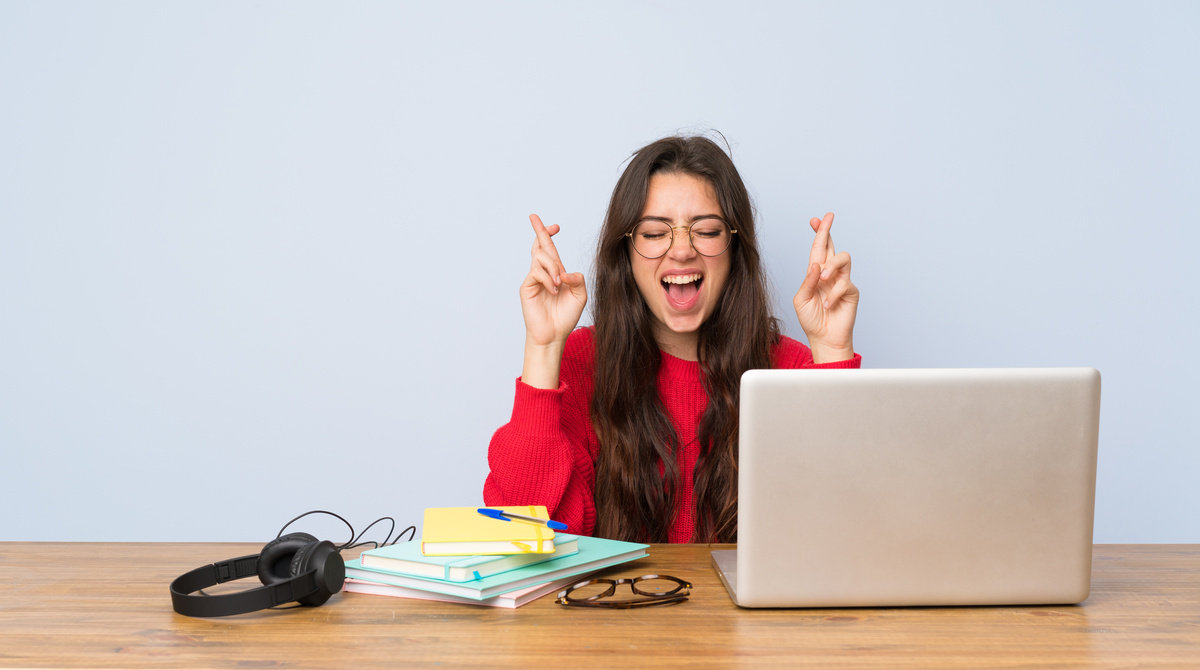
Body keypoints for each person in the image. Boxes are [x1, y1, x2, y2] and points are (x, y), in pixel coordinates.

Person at [484, 135, 861, 543]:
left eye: (707, 230)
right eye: (653, 233)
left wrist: (833, 351)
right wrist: (542, 349)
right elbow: (519, 540)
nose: (681, 251)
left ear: (735, 248)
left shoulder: (794, 371)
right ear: (624, 253)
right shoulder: (580, 363)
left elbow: (851, 536)